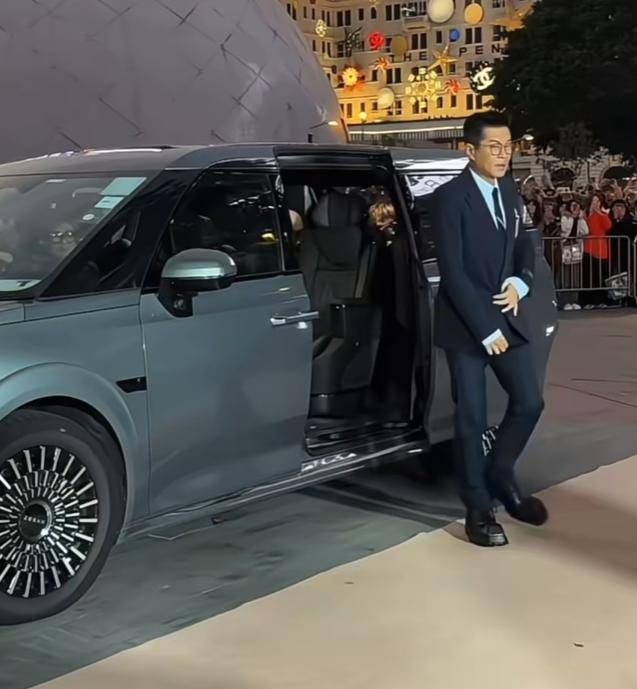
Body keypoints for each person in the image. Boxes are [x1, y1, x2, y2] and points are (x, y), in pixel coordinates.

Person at [431, 111, 548, 549]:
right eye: (494, 147)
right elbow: (453, 273)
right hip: (466, 325)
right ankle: (477, 508)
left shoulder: (510, 190)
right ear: (470, 150)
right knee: (471, 418)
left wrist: (521, 281)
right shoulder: (449, 198)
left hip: (507, 316)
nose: (504, 155)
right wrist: (483, 329)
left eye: (509, 146)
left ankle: (500, 472)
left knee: (530, 402)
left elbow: (524, 244)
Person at [583, 192, 612, 308]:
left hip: (600, 248)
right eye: (593, 201)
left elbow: (608, 226)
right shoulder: (586, 214)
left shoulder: (603, 214)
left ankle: (601, 300)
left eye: (597, 201)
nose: (595, 203)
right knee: (589, 276)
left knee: (600, 276)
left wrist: (599, 212)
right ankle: (588, 301)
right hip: (588, 248)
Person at [559, 199, 589, 310]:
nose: (575, 208)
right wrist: (571, 217)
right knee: (566, 274)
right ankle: (566, 301)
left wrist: (580, 218)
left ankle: (574, 300)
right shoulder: (565, 217)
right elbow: (565, 228)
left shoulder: (579, 219)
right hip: (566, 245)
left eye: (577, 206)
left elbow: (586, 231)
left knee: (575, 273)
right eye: (573, 205)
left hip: (576, 246)